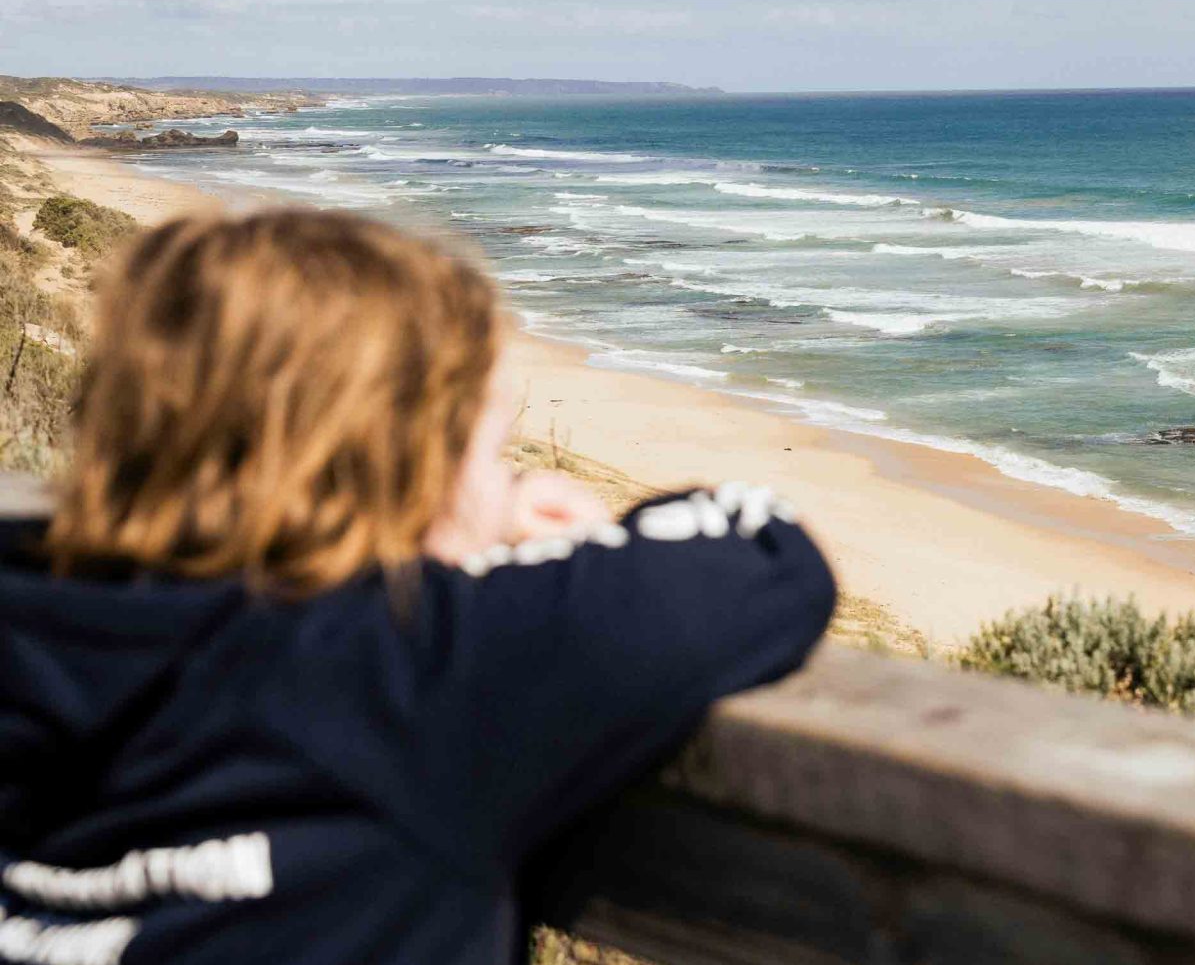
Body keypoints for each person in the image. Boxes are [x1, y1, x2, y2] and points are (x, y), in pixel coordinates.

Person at [0, 210, 836, 965]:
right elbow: (771, 553)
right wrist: (521, 536)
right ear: (406, 465)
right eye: (488, 453)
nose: (501, 477)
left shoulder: (33, 600)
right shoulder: (405, 673)